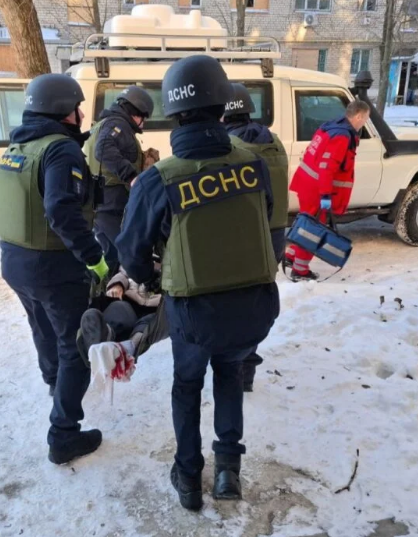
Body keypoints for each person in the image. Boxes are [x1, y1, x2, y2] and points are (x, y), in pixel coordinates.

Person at [116, 55, 280, 511]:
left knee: (187, 386)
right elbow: (263, 217)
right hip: (253, 306)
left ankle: (189, 477)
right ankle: (228, 470)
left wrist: (152, 279)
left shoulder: (157, 180)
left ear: (173, 111)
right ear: (222, 106)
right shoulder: (254, 164)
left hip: (194, 313)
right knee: (229, 375)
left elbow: (131, 253)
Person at [0, 73, 109, 466]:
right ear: (64, 111)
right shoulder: (60, 150)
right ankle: (64, 434)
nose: (82, 116)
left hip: (15, 261)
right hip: (52, 266)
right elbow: (61, 210)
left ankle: (55, 386)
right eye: (78, 108)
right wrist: (94, 258)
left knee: (43, 329)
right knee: (75, 345)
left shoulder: (18, 146)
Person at [223, 82, 289, 392]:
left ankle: (235, 369)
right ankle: (247, 369)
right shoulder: (274, 141)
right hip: (275, 235)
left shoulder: (231, 147)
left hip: (245, 237)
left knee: (233, 306)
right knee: (255, 304)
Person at [286, 100, 371, 281]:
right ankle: (300, 270)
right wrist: (325, 195)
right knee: (312, 230)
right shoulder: (342, 136)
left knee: (306, 225)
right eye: (366, 118)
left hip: (307, 183)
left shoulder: (331, 126)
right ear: (359, 116)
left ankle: (291, 256)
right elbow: (326, 167)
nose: (365, 122)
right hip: (316, 190)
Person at [85, 86, 155, 274]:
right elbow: (103, 149)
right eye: (143, 117)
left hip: (100, 203)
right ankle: (142, 282)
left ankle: (109, 287)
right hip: (113, 204)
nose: (143, 123)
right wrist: (131, 176)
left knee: (112, 256)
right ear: (136, 113)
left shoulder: (102, 123)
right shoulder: (118, 125)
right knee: (129, 252)